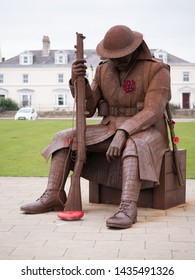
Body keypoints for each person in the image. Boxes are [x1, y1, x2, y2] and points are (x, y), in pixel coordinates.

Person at [20, 25, 171, 229]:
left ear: (135, 49)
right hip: (109, 128)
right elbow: (89, 108)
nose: (116, 61)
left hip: (147, 131)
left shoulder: (156, 69)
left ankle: (127, 206)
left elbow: (153, 110)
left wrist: (124, 131)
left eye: (122, 56)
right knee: (63, 138)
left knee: (135, 144)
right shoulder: (102, 69)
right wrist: (77, 80)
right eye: (113, 56)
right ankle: (53, 195)